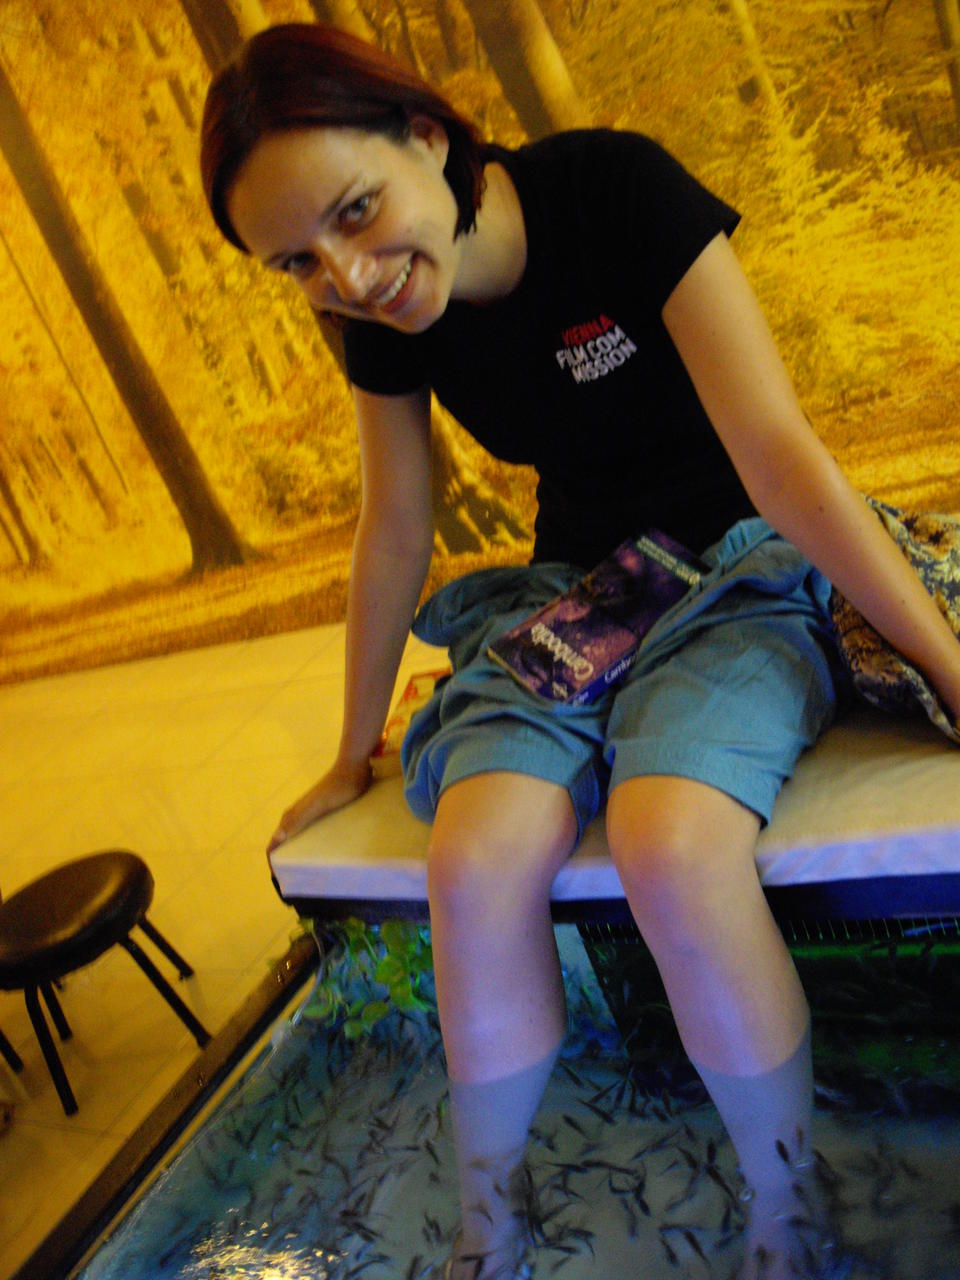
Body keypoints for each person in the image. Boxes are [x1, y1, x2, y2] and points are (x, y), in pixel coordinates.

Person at [201, 23, 960, 1279]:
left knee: (671, 843)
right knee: (471, 858)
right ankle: (491, 1227)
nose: (347, 274)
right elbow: (395, 528)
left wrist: (944, 662)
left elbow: (780, 456)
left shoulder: (617, 190)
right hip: (581, 592)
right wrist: (347, 751)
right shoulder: (382, 314)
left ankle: (790, 1215)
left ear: (426, 138)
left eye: (356, 211)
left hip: (738, 561)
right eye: (299, 262)